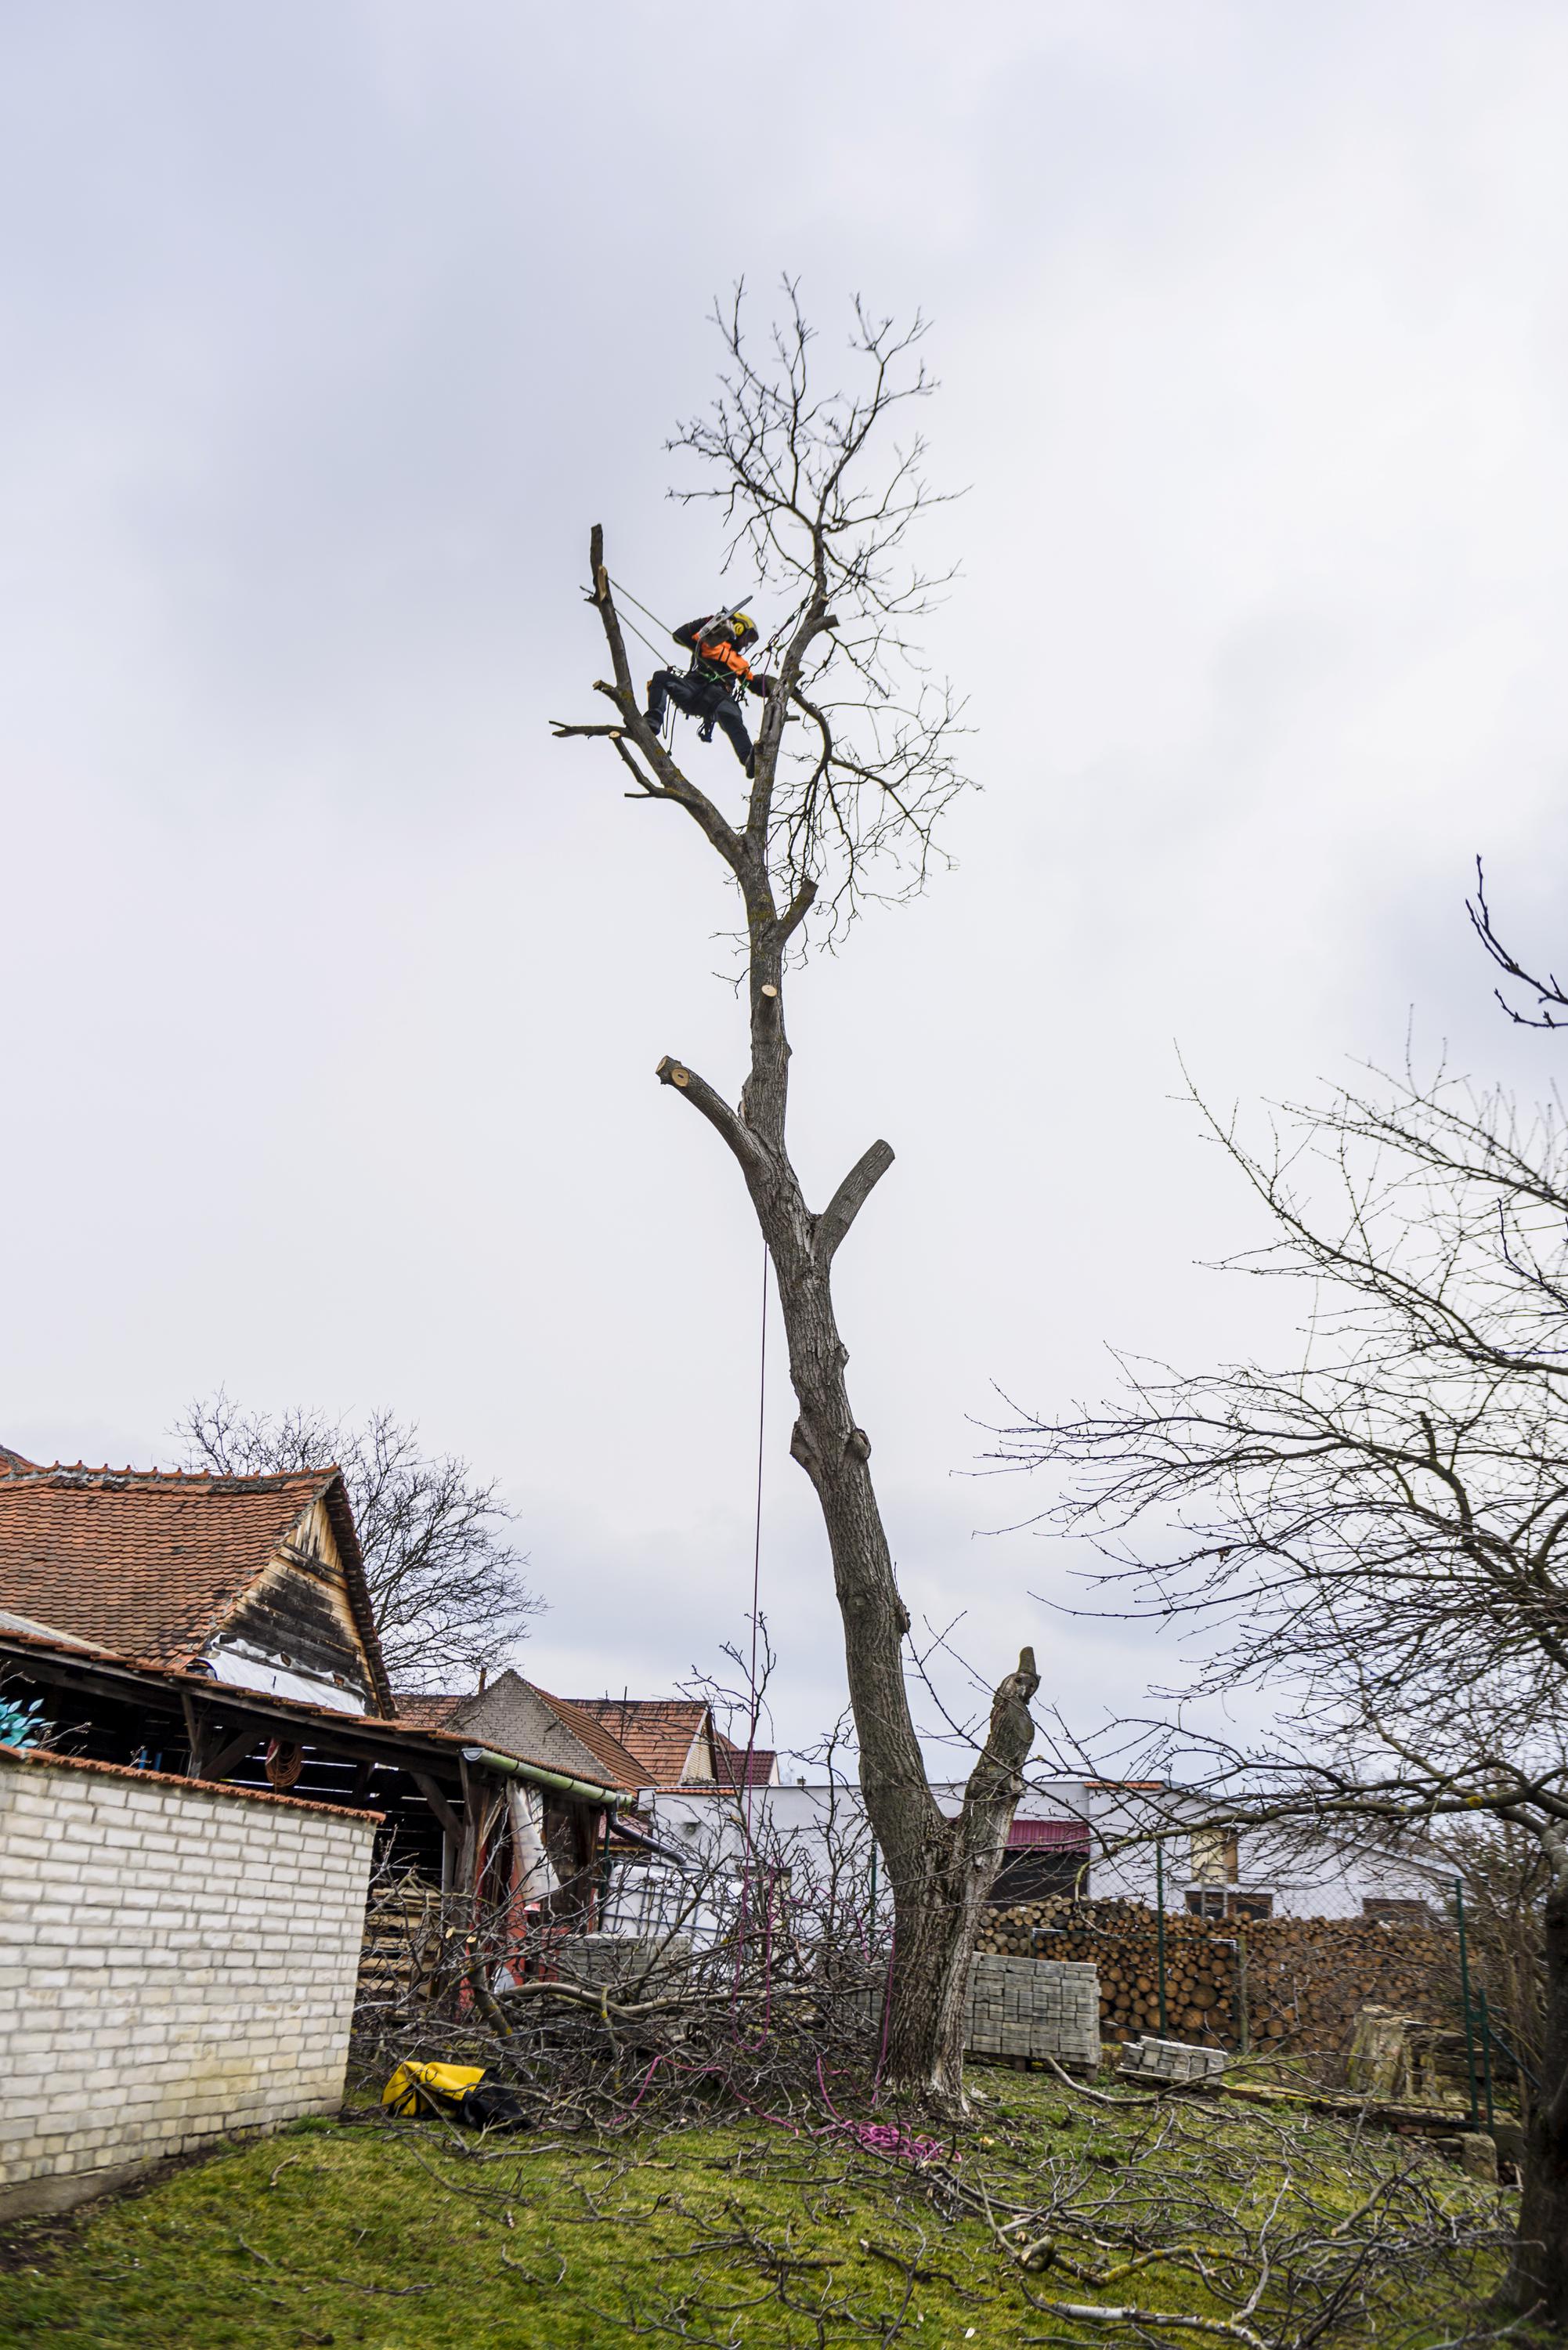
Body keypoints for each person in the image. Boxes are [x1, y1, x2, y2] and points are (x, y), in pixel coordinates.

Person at [645, 610, 775, 776]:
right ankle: (653, 720)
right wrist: (709, 622)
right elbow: (680, 635)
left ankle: (748, 758)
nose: (744, 644)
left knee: (732, 714)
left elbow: (753, 684)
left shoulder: (740, 662)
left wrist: (778, 686)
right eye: (745, 638)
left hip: (718, 699)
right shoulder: (708, 641)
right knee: (661, 677)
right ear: (738, 627)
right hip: (693, 689)